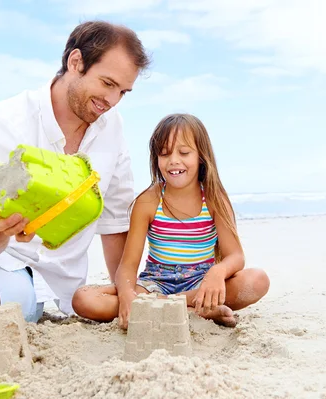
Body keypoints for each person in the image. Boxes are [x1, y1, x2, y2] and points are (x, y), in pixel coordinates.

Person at [0, 20, 151, 360]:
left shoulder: (111, 128)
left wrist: (125, 292)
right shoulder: (5, 120)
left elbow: (114, 225)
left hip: (21, 274)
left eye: (123, 92)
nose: (112, 101)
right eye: (107, 83)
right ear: (76, 62)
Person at [72, 113, 270, 328]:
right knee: (83, 298)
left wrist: (217, 272)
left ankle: (166, 307)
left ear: (201, 156)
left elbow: (236, 256)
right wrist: (129, 296)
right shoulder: (147, 201)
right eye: (164, 154)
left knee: (257, 280)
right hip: (154, 284)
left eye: (184, 152)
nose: (174, 160)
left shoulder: (214, 198)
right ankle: (194, 311)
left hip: (199, 285)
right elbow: (127, 267)